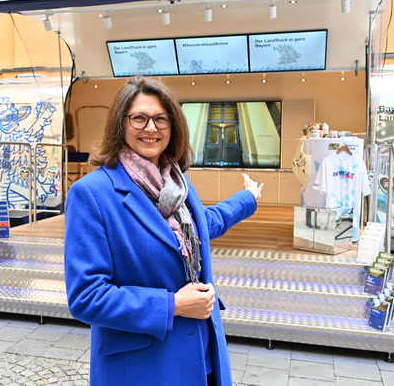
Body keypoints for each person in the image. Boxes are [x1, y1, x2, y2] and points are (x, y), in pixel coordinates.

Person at [63, 76, 264, 386]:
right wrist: (174, 305)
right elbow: (86, 296)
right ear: (120, 124)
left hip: (203, 354)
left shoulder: (177, 184)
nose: (151, 128)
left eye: (161, 118)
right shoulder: (92, 193)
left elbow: (203, 225)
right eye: (139, 118)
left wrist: (247, 199)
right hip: (145, 367)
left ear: (174, 126)